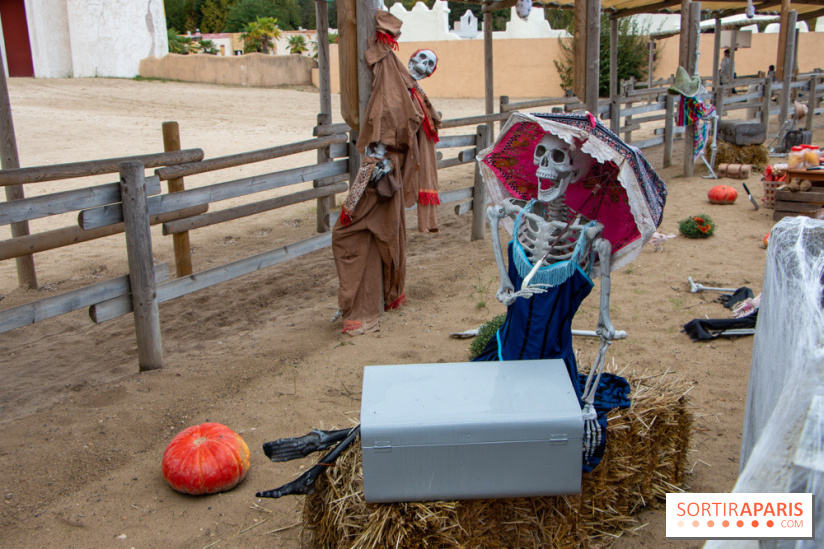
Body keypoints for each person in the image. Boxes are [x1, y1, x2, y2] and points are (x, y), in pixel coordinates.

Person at [331, 10, 441, 336]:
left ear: (431, 74)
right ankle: (356, 305)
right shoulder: (393, 74)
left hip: (382, 174)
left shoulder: (416, 96)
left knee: (356, 233)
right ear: (409, 55)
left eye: (430, 65)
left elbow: (416, 148)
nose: (423, 64)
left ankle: (359, 310)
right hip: (374, 168)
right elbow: (379, 46)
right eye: (421, 57)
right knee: (357, 232)